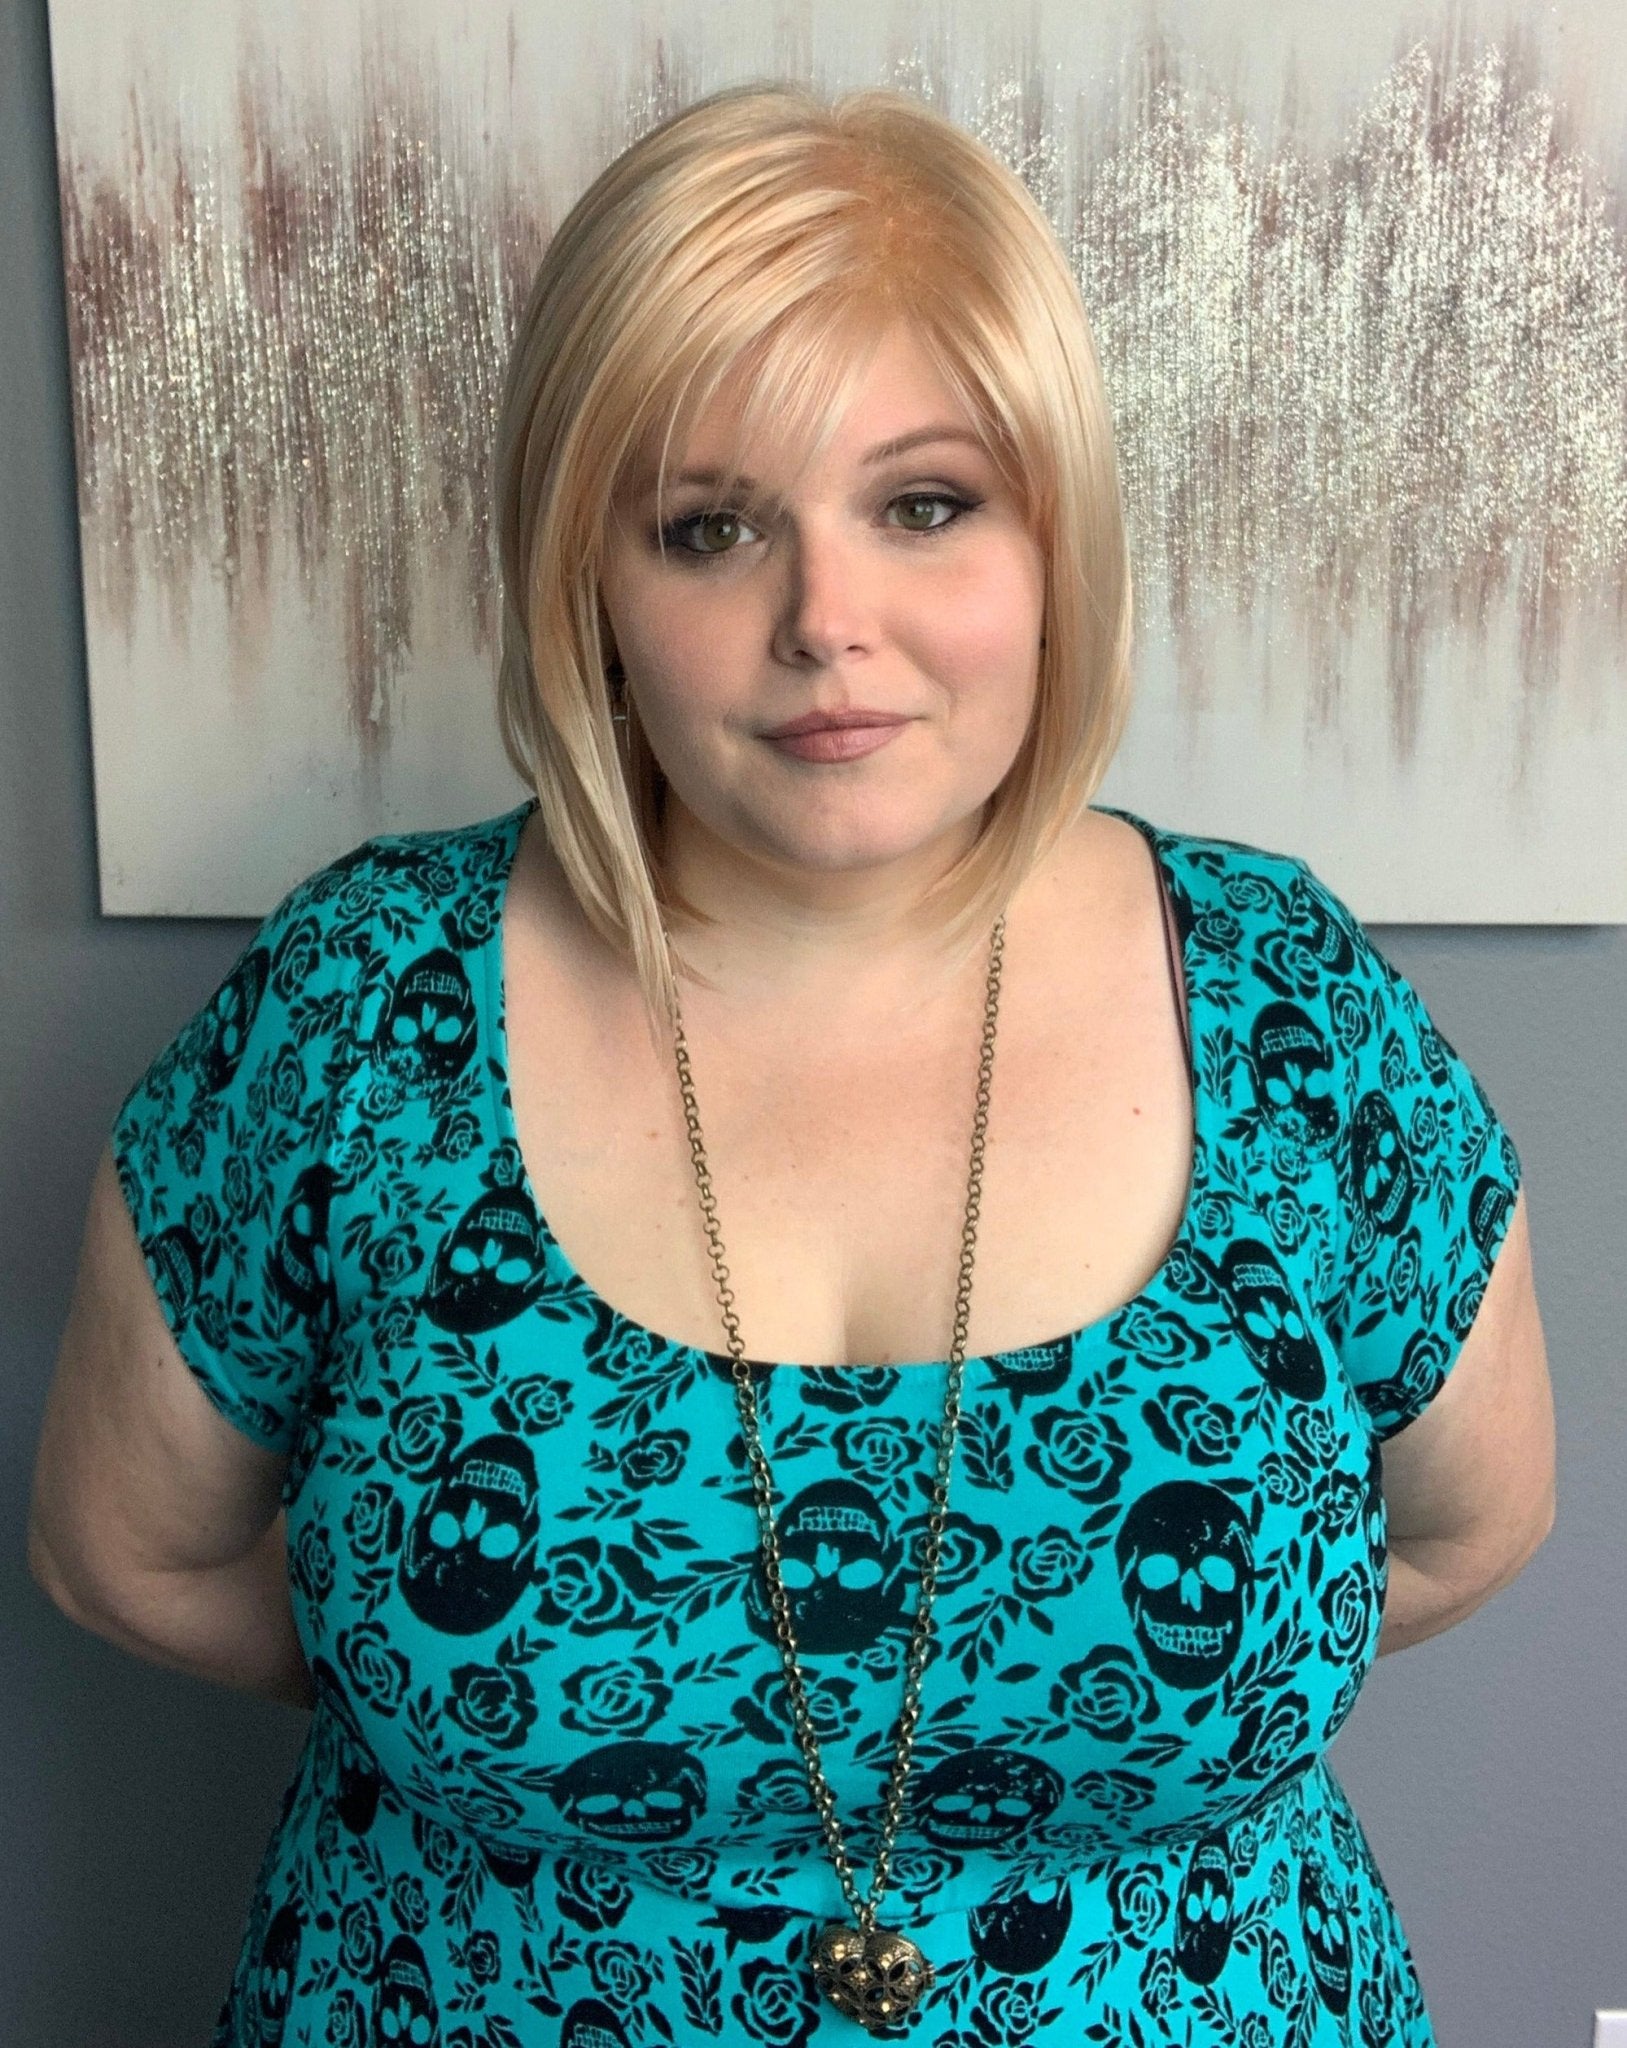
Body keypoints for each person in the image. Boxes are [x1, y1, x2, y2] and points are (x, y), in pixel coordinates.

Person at [27, 78, 1554, 2047]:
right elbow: (123, 1555)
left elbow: (1470, 1525)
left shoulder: (1285, 1005)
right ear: (589, 583)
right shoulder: (356, 1009)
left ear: (1054, 537)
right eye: (708, 527)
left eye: (924, 504)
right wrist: (486, 1729)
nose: (827, 620)